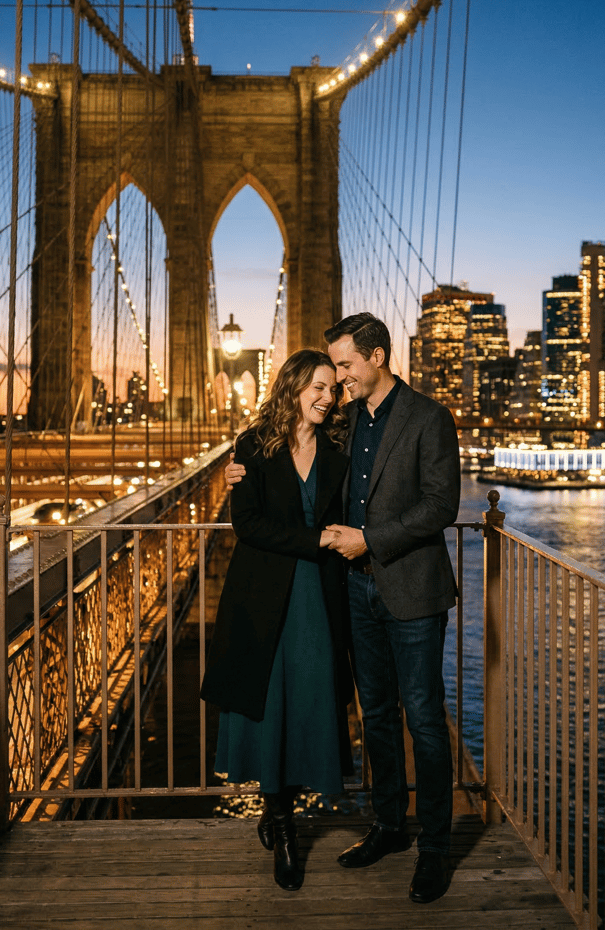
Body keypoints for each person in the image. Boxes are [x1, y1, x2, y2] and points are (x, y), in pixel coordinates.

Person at [226, 313, 460, 904]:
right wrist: (242, 467)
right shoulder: (344, 421)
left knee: (425, 720)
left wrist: (367, 542)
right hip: (354, 591)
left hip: (409, 588)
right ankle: (388, 826)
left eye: (346, 369)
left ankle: (434, 847)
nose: (338, 385)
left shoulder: (430, 418)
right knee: (376, 714)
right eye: (329, 378)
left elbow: (439, 507)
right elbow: (281, 450)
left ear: (377, 357)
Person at [201, 348, 353, 892]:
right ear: (290, 386)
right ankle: (283, 825)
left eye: (333, 388)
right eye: (317, 386)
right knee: (267, 704)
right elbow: (248, 525)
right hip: (263, 595)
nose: (327, 397)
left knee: (309, 698)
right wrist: (316, 538)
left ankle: (281, 811)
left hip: (320, 596)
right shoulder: (252, 446)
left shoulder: (339, 444)